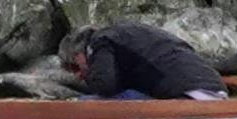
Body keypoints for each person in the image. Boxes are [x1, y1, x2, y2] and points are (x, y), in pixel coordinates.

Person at [69, 18, 223, 100]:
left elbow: (104, 86)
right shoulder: (127, 37)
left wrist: (88, 79)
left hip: (190, 94)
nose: (78, 75)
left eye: (75, 66)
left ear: (81, 52)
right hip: (216, 89)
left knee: (85, 102)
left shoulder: (100, 40)